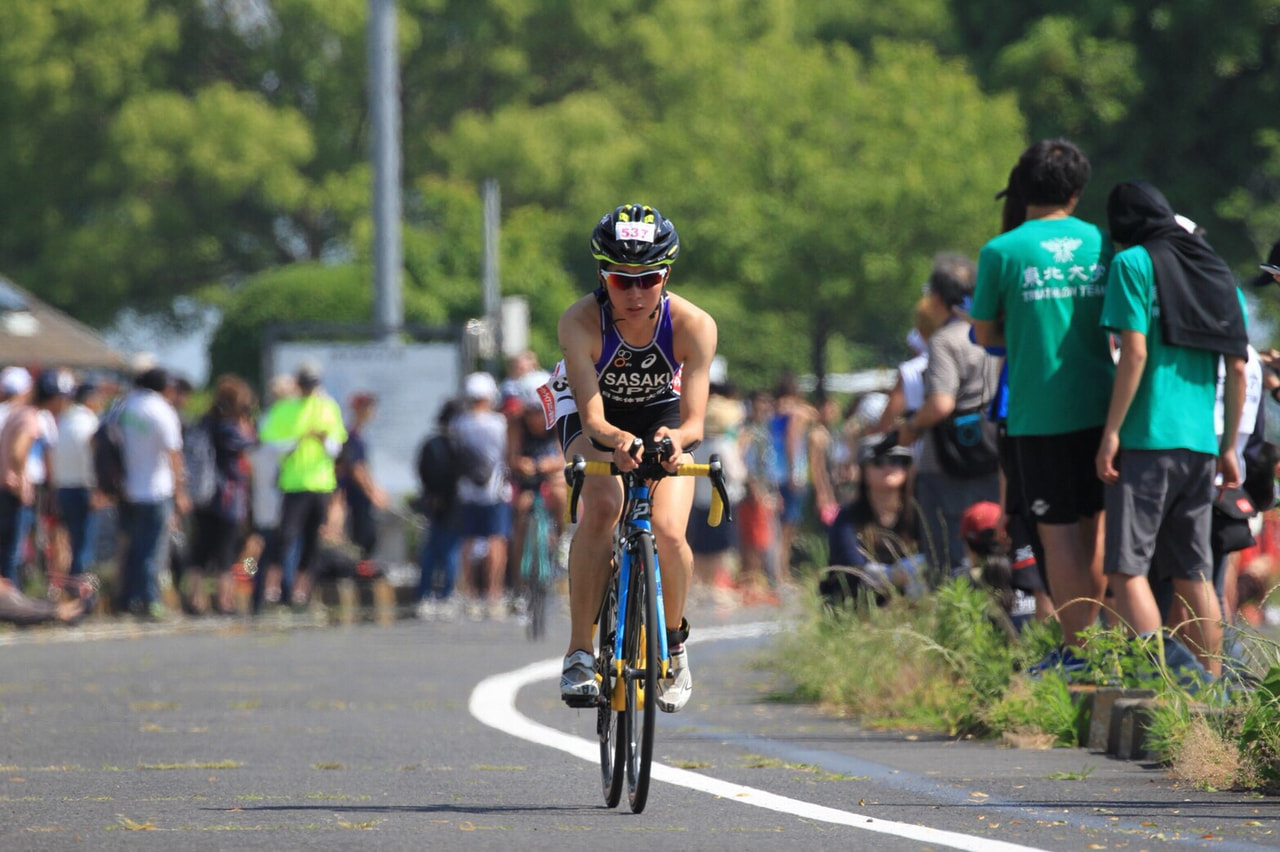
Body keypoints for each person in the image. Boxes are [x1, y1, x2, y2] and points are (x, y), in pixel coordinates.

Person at [552, 202, 717, 713]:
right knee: (602, 504)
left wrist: (671, 440)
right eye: (622, 281)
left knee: (669, 530)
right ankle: (580, 650)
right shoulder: (580, 321)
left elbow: (695, 423)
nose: (636, 292)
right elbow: (596, 421)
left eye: (649, 279)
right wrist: (617, 442)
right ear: (603, 276)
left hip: (662, 415)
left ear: (666, 276)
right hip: (592, 413)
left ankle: (674, 642)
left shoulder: (693, 324)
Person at [971, 138, 1113, 674]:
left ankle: (1079, 654)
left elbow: (985, 332)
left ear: (1023, 185)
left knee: (1056, 540)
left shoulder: (1003, 251)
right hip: (1102, 412)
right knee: (1093, 532)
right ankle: (1101, 648)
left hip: (1038, 413)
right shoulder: (1103, 244)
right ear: (1077, 190)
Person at [1096, 180, 1249, 679]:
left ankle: (1164, 683)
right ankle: (1214, 685)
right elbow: (1240, 368)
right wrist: (1228, 448)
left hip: (1146, 438)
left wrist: (1112, 433)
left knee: (1126, 568)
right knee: (1193, 573)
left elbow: (1134, 352)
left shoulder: (1133, 264)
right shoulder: (1216, 273)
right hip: (1202, 444)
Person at [895, 252, 1000, 580]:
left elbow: (941, 403)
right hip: (997, 450)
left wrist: (911, 427)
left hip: (949, 461)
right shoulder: (994, 330)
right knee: (995, 540)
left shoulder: (945, 340)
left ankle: (955, 623)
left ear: (937, 298)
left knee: (949, 555)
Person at [258, 361, 347, 608]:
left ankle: (300, 592)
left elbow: (336, 446)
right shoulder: (286, 409)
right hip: (293, 483)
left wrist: (322, 439)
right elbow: (269, 440)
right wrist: (298, 439)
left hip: (320, 483)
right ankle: (273, 588)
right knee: (285, 536)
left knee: (312, 541)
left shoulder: (328, 408)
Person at [820, 434, 925, 607]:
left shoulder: (917, 513)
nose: (888, 467)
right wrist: (894, 575)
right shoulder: (848, 517)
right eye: (878, 461)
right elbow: (851, 567)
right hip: (859, 605)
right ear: (863, 469)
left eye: (897, 461)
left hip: (909, 605)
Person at [117, 367, 189, 619]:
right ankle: (151, 601)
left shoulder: (126, 406)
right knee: (153, 549)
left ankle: (128, 599)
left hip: (128, 488)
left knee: (133, 547)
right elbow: (174, 454)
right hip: (156, 489)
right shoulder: (161, 409)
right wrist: (181, 492)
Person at [184, 374, 255, 615]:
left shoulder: (203, 423)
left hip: (201, 496)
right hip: (226, 498)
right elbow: (250, 445)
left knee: (200, 551)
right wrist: (246, 426)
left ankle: (194, 599)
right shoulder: (228, 429)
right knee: (225, 552)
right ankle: (225, 601)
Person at [0, 369, 74, 585]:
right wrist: (22, 481)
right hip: (13, 489)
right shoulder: (31, 417)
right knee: (13, 548)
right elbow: (18, 451)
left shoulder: (16, 412)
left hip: (5, 486)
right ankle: (10, 598)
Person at [452, 371, 511, 619]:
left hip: (467, 488)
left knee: (467, 540)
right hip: (495, 488)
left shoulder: (459, 423)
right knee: (497, 540)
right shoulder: (499, 423)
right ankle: (493, 594)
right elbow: (506, 453)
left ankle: (470, 593)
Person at [50, 380, 105, 580]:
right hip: (84, 487)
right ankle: (80, 591)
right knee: (83, 544)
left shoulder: (64, 420)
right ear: (90, 399)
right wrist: (96, 488)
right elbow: (90, 457)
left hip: (63, 487)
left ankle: (68, 587)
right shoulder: (89, 422)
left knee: (68, 541)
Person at [415, 399, 463, 619]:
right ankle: (445, 594)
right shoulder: (458, 444)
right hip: (454, 502)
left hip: (433, 501)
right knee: (449, 550)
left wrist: (430, 494)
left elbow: (422, 470)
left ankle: (424, 594)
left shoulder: (430, 443)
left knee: (432, 549)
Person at [337, 392, 389, 563]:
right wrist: (372, 493)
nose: (371, 411)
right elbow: (355, 469)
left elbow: (363, 468)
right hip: (354, 498)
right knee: (360, 540)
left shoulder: (360, 435)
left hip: (361, 498)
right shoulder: (350, 436)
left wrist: (375, 488)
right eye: (367, 407)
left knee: (368, 540)